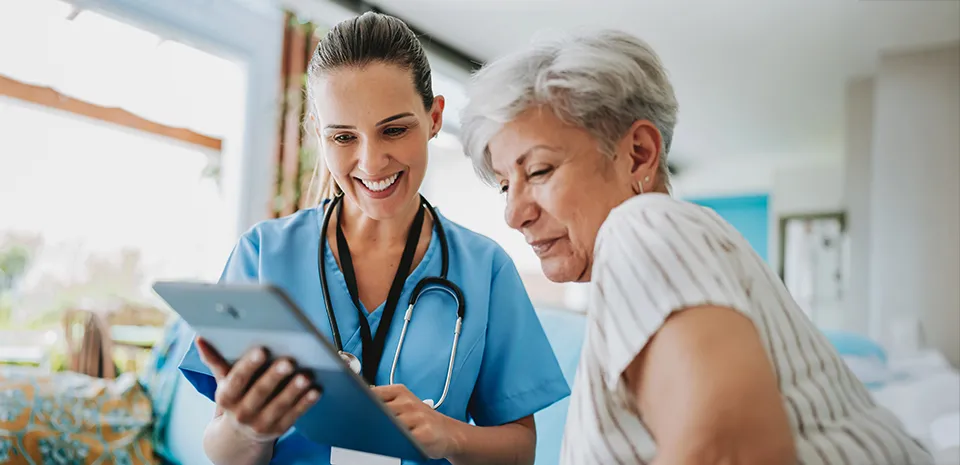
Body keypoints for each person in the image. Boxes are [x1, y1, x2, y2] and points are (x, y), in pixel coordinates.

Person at [459, 30, 934, 465]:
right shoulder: (655, 251)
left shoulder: (642, 227)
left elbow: (731, 452)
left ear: (637, 154)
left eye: (539, 171)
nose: (514, 213)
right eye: (505, 185)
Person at [176, 12, 570, 465]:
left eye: (394, 129)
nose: (371, 162)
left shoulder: (485, 269)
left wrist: (449, 436)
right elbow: (222, 450)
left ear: (435, 117)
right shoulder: (263, 254)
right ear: (319, 136)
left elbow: (522, 450)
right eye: (344, 137)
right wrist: (249, 428)